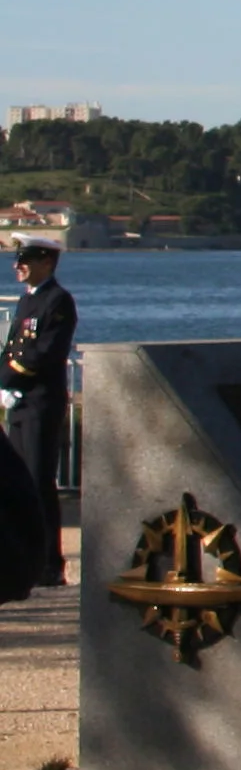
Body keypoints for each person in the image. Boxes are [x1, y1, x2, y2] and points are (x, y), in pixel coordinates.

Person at [4, 243, 76, 586]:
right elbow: (12, 347)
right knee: (19, 482)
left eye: (24, 260)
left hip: (40, 401)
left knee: (38, 481)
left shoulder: (57, 301)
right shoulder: (27, 300)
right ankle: (26, 560)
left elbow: (45, 351)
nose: (17, 267)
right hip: (19, 402)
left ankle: (50, 563)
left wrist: (10, 379)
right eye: (17, 260)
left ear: (46, 262)